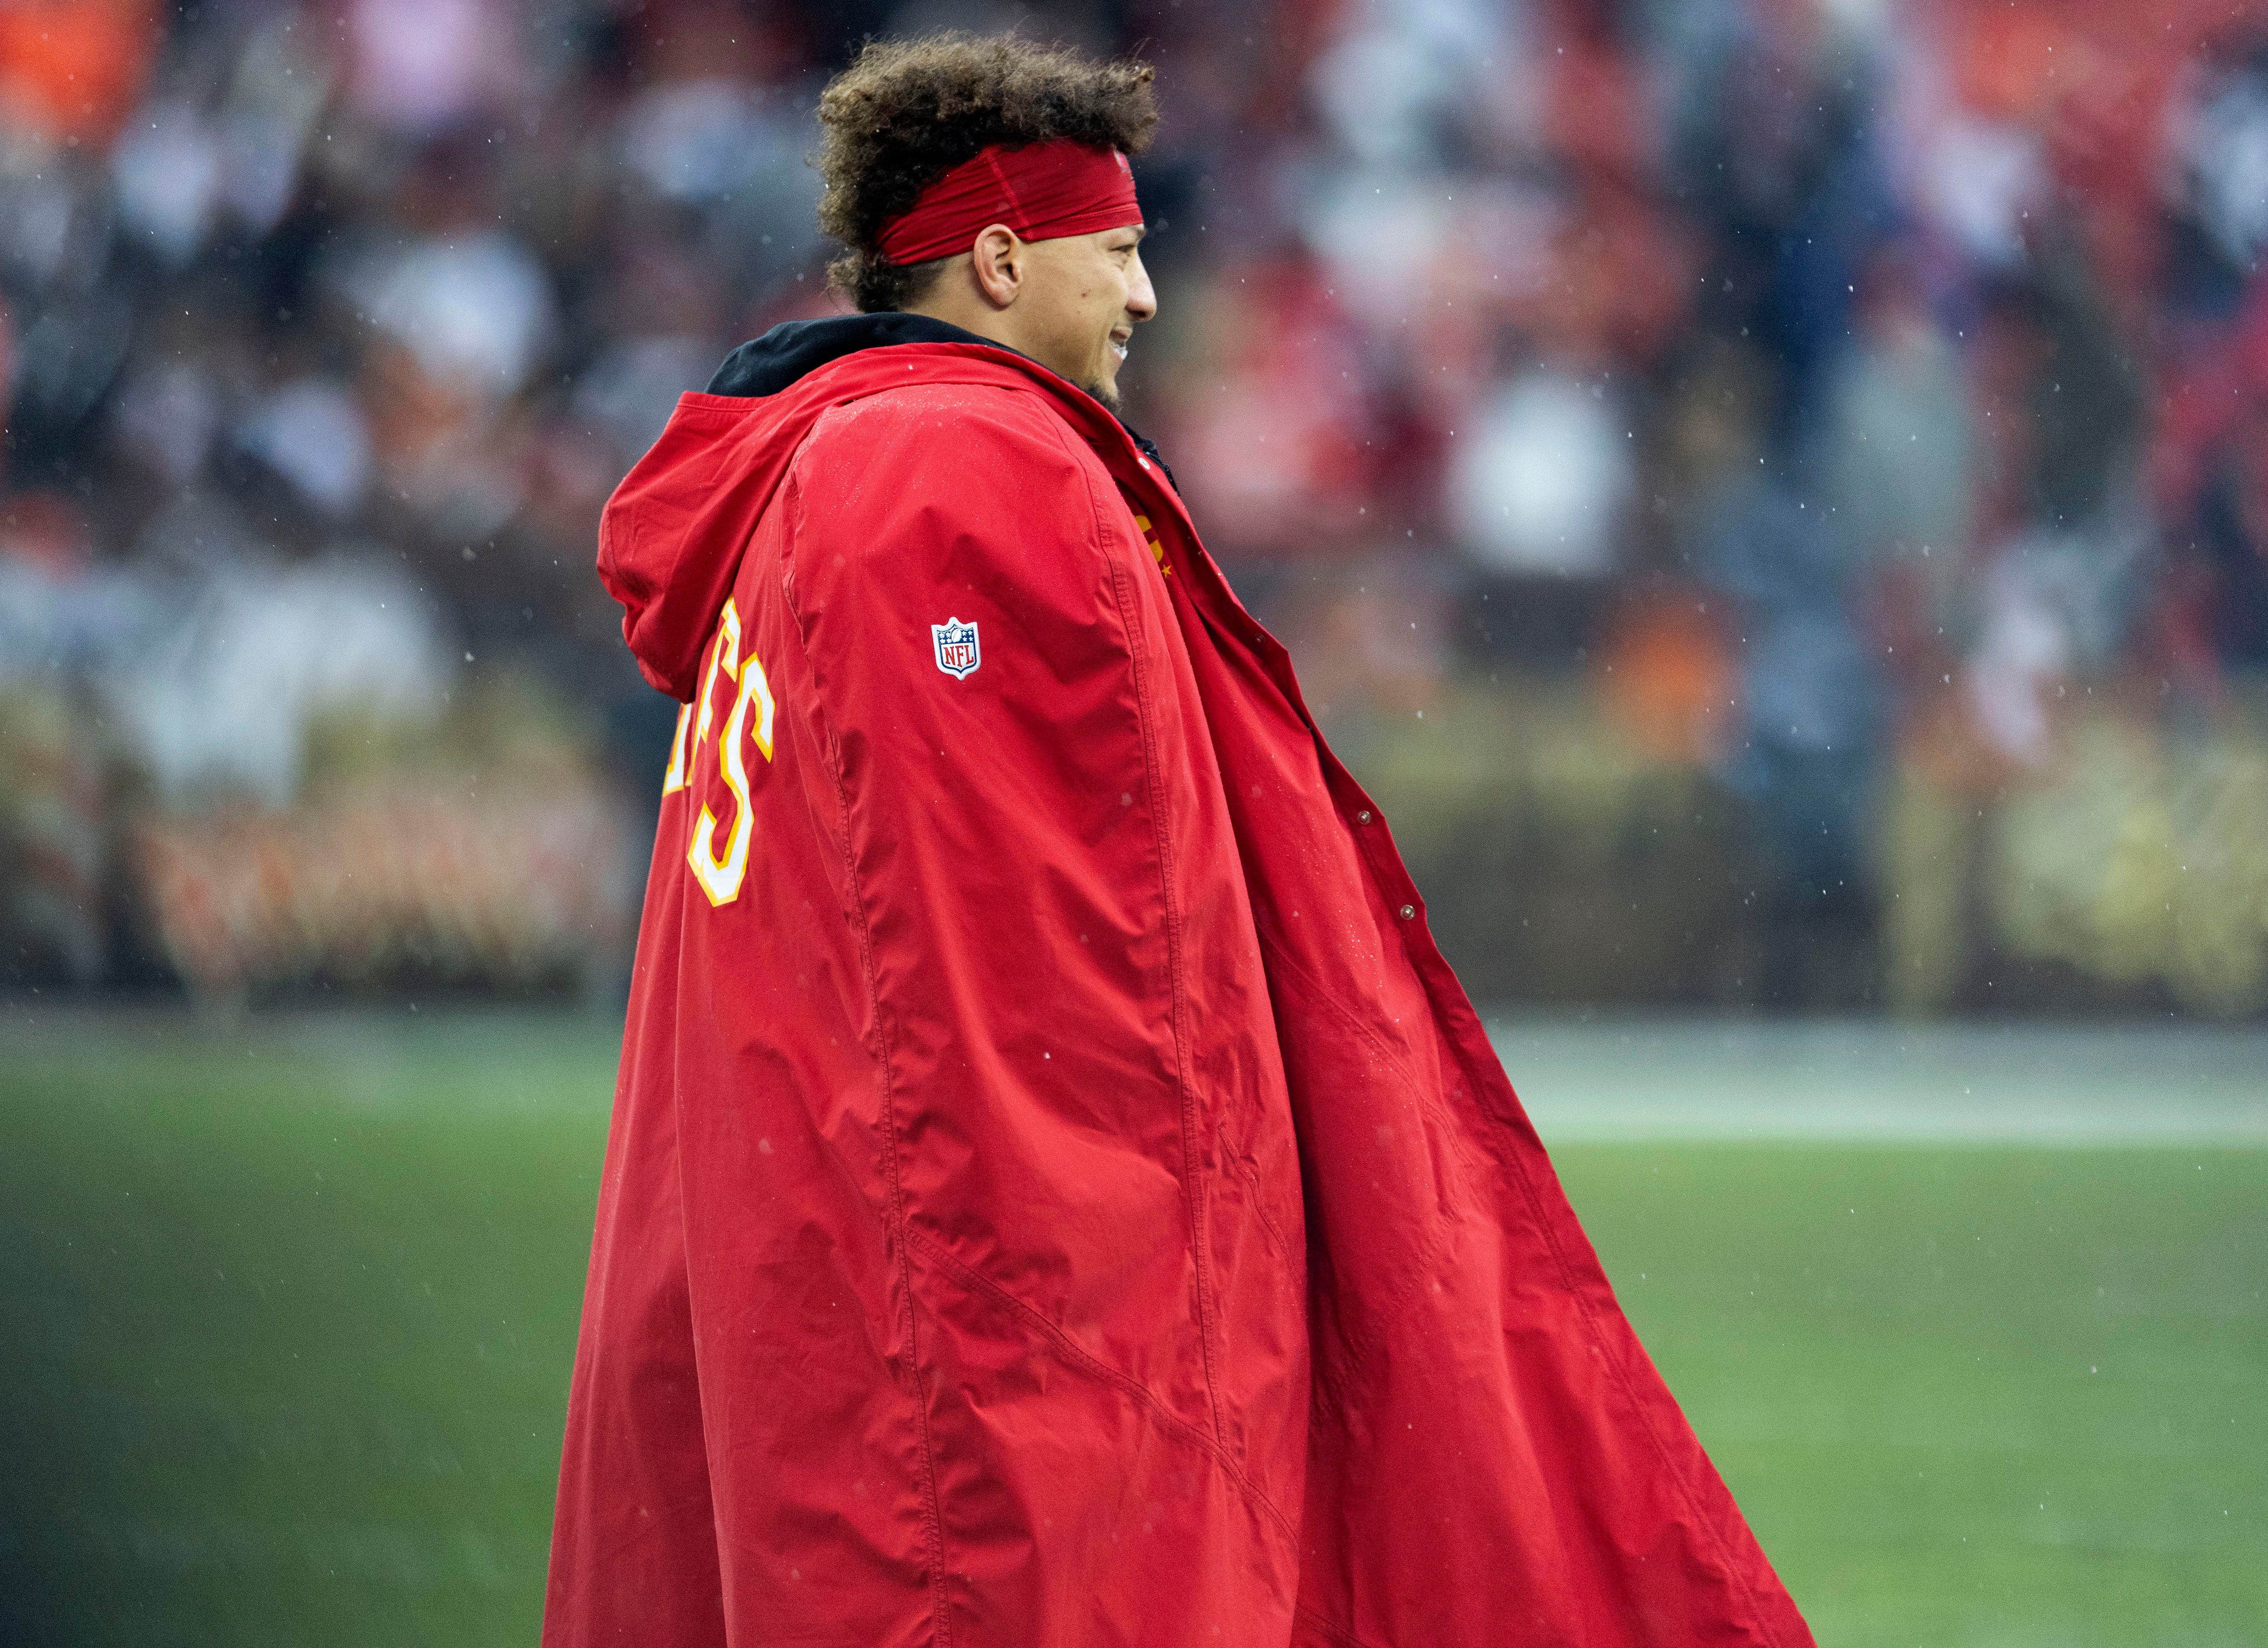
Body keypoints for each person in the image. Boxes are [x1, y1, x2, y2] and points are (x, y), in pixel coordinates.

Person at [546, 34, 1812, 1648]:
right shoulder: (950, 461)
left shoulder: (831, 458)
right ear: (1002, 260)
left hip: (806, 1229)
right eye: (1122, 251)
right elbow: (1007, 969)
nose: (1148, 299)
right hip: (960, 1292)